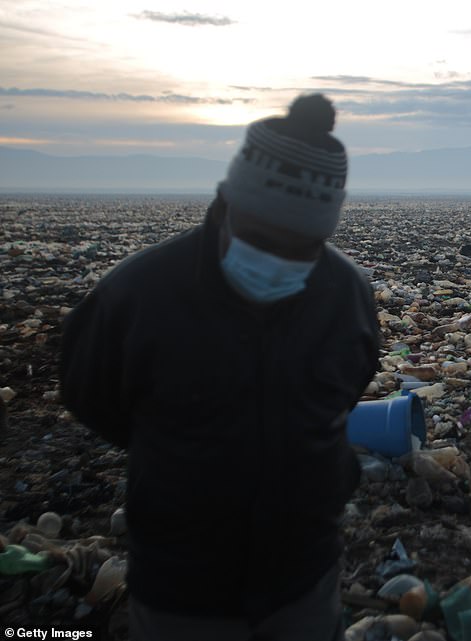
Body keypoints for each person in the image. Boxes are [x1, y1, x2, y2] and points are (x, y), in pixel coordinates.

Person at [59, 94, 380, 640]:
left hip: (303, 577)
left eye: (299, 246)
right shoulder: (139, 294)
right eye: (259, 238)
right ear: (228, 203)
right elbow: (94, 399)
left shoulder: (345, 296)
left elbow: (346, 392)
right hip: (183, 589)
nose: (276, 259)